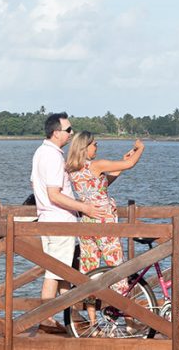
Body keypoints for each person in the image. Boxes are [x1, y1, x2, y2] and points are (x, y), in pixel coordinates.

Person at [30, 112, 103, 335]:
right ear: (56, 132)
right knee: (55, 272)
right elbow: (54, 194)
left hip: (51, 219)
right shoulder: (51, 156)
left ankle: (72, 316)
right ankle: (46, 317)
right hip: (58, 221)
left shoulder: (42, 153)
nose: (72, 134)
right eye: (68, 130)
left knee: (61, 270)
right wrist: (85, 208)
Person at [66, 133, 144, 329]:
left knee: (90, 270)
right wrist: (139, 148)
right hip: (104, 223)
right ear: (85, 147)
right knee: (117, 269)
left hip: (86, 223)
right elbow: (130, 164)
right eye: (95, 145)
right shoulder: (96, 165)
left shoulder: (74, 169)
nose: (97, 148)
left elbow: (100, 185)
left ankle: (93, 322)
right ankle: (126, 319)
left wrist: (119, 167)